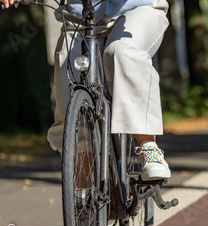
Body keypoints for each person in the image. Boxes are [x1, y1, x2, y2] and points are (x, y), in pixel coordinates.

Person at [2, 0, 171, 181]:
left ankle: (148, 146)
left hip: (137, 9)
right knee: (67, 82)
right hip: (80, 19)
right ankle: (81, 189)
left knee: (121, 52)